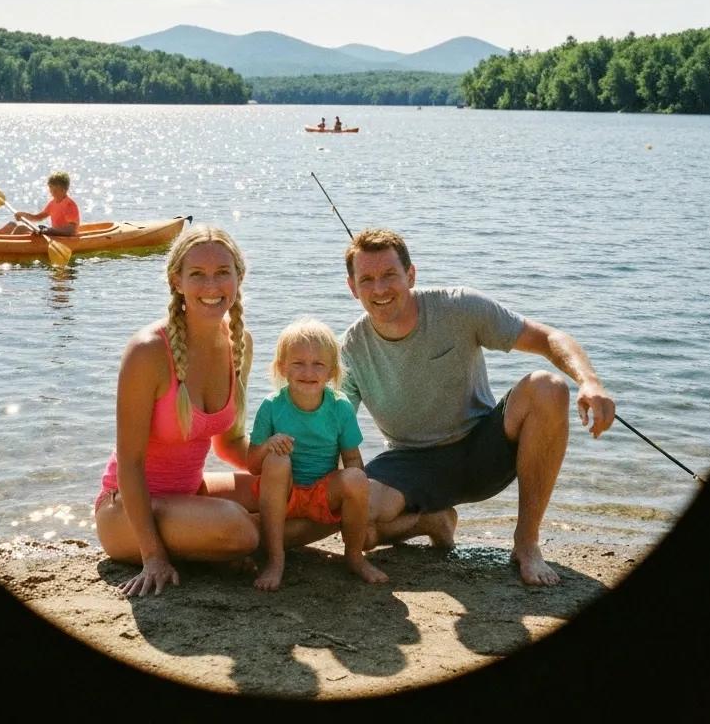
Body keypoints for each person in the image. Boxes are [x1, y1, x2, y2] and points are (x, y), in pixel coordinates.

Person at [298, 227, 616, 587]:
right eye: (366, 279)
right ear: (352, 288)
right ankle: (431, 522)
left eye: (389, 275)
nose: (380, 289)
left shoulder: (458, 307)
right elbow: (330, 427)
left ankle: (526, 543)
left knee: (548, 387)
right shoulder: (350, 349)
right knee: (357, 524)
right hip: (410, 461)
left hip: (481, 448)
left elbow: (548, 338)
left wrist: (589, 381)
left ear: (411, 275)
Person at [93, 223, 260, 596]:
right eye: (197, 274)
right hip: (127, 513)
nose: (212, 286)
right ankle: (217, 544)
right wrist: (153, 556)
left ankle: (213, 545)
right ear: (176, 281)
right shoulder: (148, 351)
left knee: (286, 494)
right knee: (241, 528)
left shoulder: (239, 343)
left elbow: (228, 444)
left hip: (190, 496)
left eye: (222, 273)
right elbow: (130, 464)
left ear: (239, 276)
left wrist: (284, 468)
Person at [247, 317, 389, 591]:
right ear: (281, 367)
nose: (308, 371)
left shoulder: (340, 407)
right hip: (283, 493)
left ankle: (354, 556)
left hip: (323, 494)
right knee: (276, 460)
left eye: (318, 364)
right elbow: (253, 465)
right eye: (298, 363)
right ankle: (276, 560)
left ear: (332, 372)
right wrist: (268, 446)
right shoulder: (271, 406)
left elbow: (351, 459)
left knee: (358, 478)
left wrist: (358, 496)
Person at [0, 170, 80, 236]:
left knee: (21, 228)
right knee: (12, 224)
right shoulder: (53, 203)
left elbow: (71, 230)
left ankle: (8, 247)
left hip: (61, 238)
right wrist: (23, 214)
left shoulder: (69, 205)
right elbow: (38, 217)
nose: (52, 193)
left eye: (55, 191)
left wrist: (50, 230)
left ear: (64, 190)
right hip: (52, 234)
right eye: (50, 190)